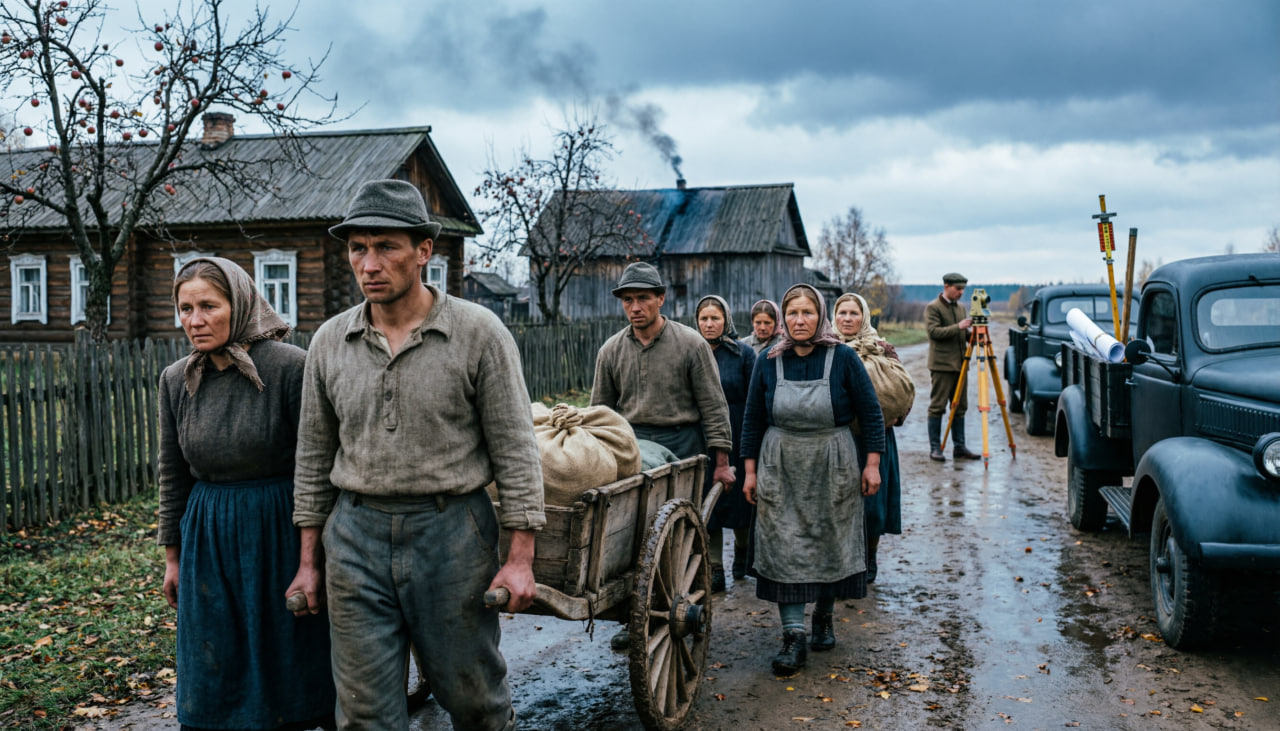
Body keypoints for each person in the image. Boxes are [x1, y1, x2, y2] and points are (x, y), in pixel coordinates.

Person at [291, 179, 545, 730]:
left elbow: (516, 450)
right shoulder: (330, 342)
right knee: (364, 714)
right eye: (358, 248)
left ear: (424, 251)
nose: (369, 263)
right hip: (355, 537)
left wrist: (520, 557)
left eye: (386, 247)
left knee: (474, 698)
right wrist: (310, 561)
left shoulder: (479, 333)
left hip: (452, 533)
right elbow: (312, 458)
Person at [158, 256, 334, 731]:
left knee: (286, 651)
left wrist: (309, 561)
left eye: (209, 306)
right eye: (186, 308)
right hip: (208, 535)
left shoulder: (289, 368)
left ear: (238, 304)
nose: (196, 320)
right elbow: (173, 474)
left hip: (277, 529)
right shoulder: (177, 379)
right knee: (213, 653)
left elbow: (312, 468)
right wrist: (173, 558)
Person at [741, 283, 885, 676]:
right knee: (783, 546)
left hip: (832, 462)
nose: (798, 320)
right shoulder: (768, 361)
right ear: (783, 318)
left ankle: (823, 615)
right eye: (792, 313)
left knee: (830, 542)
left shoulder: (843, 358)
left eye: (806, 313)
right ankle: (792, 637)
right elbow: (753, 418)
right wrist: (750, 472)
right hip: (781, 465)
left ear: (819, 316)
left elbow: (871, 413)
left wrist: (871, 464)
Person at [833, 292, 905, 584]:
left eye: (854, 313)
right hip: (837, 439)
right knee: (839, 503)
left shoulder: (882, 348)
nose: (848, 318)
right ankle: (842, 561)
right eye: (842, 313)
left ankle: (870, 555)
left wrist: (897, 415)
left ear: (864, 316)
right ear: (834, 316)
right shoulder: (825, 348)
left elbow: (902, 388)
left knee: (872, 508)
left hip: (874, 439)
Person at [695, 295, 758, 589]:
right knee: (710, 507)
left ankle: (742, 555)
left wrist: (752, 441)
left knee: (741, 504)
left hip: (738, 432)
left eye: (715, 318)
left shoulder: (743, 354)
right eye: (704, 319)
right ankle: (715, 567)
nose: (709, 324)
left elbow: (755, 400)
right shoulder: (692, 352)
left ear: (726, 320)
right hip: (703, 438)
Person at [925, 273, 982, 462]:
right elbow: (934, 332)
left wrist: (974, 335)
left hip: (961, 365)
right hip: (942, 366)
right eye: (958, 289)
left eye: (963, 289)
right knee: (937, 407)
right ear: (946, 286)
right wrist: (958, 327)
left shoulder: (960, 308)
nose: (961, 292)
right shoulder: (933, 307)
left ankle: (959, 447)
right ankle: (935, 448)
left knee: (960, 407)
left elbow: (962, 334)